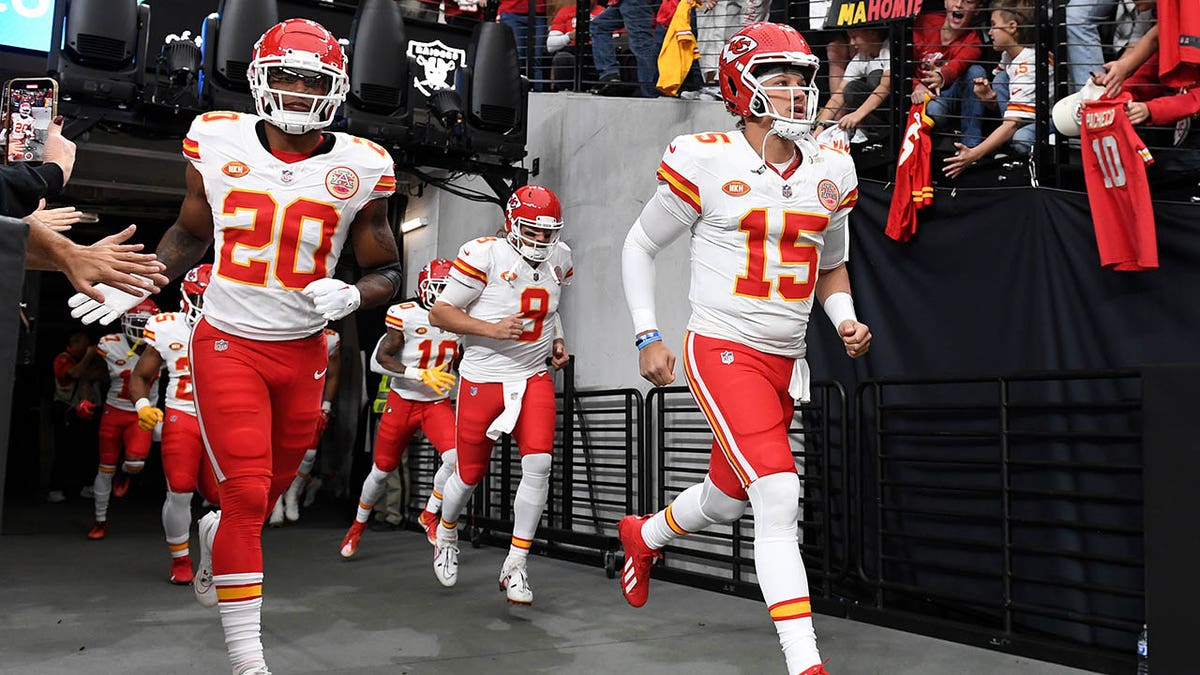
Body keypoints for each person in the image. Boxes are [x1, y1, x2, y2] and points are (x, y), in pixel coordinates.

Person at [66, 18, 403, 675]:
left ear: (337, 90)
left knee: (269, 490)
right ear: (259, 79)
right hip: (228, 341)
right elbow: (190, 234)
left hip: (304, 349)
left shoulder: (363, 165)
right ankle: (249, 660)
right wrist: (131, 284)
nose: (301, 91)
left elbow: (385, 269)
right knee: (250, 494)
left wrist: (356, 295)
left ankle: (216, 530)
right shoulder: (215, 139)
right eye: (288, 76)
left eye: (315, 79)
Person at [617, 22, 871, 675]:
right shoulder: (706, 157)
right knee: (781, 493)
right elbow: (640, 245)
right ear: (740, 86)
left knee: (732, 495)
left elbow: (832, 265)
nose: (795, 93)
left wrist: (843, 317)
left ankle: (642, 536)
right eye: (778, 79)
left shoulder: (831, 166)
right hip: (723, 345)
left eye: (803, 80)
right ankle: (805, 661)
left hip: (786, 360)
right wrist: (648, 332)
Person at [427, 184, 573, 605]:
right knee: (469, 476)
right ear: (512, 223)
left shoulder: (560, 258)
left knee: (540, 465)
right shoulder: (484, 253)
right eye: (533, 230)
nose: (542, 241)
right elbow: (441, 312)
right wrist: (491, 329)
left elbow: (551, 306)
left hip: (532, 376)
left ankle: (515, 566)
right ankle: (447, 532)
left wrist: (557, 340)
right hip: (483, 378)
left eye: (549, 233)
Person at [339, 258, 460, 558]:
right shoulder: (405, 314)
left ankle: (429, 514)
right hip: (403, 401)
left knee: (456, 458)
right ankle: (358, 525)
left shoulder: (461, 317)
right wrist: (420, 374)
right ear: (423, 287)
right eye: (438, 287)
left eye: (449, 288)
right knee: (381, 472)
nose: (444, 294)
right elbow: (379, 359)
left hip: (435, 403)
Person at [127, 263, 220, 584]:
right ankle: (181, 559)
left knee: (223, 495)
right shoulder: (167, 326)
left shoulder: (238, 327)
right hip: (182, 417)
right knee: (180, 490)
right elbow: (139, 376)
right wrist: (142, 406)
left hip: (223, 421)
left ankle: (214, 555)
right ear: (187, 298)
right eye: (203, 299)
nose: (209, 307)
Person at [86, 298, 161, 540]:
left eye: (145, 323)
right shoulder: (109, 344)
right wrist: (85, 399)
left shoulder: (163, 344)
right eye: (136, 323)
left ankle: (126, 471)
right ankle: (100, 520)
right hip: (113, 411)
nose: (140, 329)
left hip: (142, 415)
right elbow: (91, 375)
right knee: (104, 467)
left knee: (136, 464)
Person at [944, 0, 1038, 178]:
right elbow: (1008, 108)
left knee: (1021, 138)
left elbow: (1012, 124)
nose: (989, 32)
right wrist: (988, 99)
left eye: (994, 26)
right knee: (1001, 78)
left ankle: (1018, 158)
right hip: (1023, 116)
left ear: (1011, 27)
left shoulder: (1027, 64)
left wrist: (973, 155)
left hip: (1045, 123)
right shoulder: (1008, 54)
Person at [269, 327, 341, 526]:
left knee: (308, 454)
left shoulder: (331, 338)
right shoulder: (280, 330)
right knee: (276, 454)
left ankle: (293, 494)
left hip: (310, 402)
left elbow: (333, 374)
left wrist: (326, 407)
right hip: (281, 401)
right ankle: (275, 502)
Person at [910, 0, 986, 146]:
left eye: (968, 1)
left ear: (977, 10)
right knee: (933, 110)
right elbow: (902, 63)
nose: (958, 4)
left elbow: (957, 66)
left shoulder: (974, 41)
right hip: (923, 97)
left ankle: (971, 146)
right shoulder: (923, 23)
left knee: (976, 71)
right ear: (944, 2)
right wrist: (916, 85)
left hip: (950, 94)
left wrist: (941, 75)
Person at [48, 332, 103, 502]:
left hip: (87, 409)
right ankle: (55, 489)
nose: (88, 348)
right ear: (74, 344)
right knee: (64, 449)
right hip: (66, 409)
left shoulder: (91, 362)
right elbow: (74, 374)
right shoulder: (63, 358)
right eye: (84, 345)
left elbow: (102, 375)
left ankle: (88, 486)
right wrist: (88, 357)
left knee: (88, 448)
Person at [816, 26, 892, 141]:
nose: (852, 44)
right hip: (877, 113)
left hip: (894, 111)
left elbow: (885, 86)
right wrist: (820, 126)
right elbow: (839, 94)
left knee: (875, 76)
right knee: (850, 88)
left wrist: (857, 115)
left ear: (872, 34)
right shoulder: (860, 58)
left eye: (855, 37)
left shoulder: (887, 49)